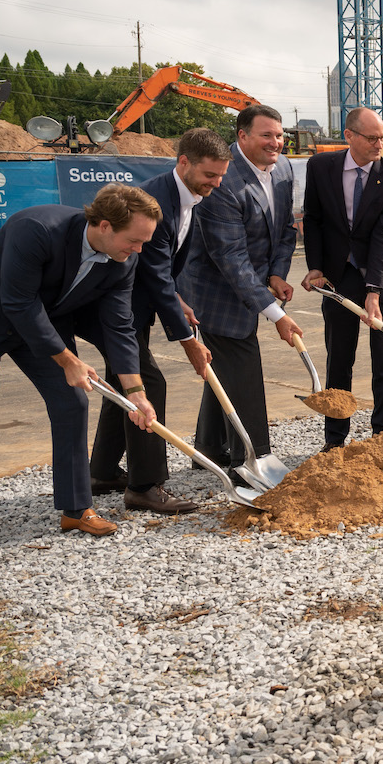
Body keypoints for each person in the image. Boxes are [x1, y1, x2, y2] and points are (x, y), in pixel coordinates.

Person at [0, 186, 160, 548]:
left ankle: (76, 509)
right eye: (134, 240)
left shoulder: (123, 259)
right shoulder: (37, 228)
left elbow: (119, 326)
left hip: (39, 328)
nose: (139, 250)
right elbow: (18, 302)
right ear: (104, 226)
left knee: (72, 402)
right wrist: (68, 360)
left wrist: (137, 394)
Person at [88, 129, 226, 514]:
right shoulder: (154, 203)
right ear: (184, 162)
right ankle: (145, 486)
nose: (215, 184)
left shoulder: (189, 199)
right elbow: (154, 275)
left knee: (123, 380)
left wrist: (178, 300)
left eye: (220, 176)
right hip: (114, 308)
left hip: (136, 305)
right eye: (209, 175)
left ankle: (100, 472)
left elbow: (163, 272)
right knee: (147, 383)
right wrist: (188, 341)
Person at [181, 104, 302, 477]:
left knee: (226, 367)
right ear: (243, 137)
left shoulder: (282, 169)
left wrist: (277, 275)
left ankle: (207, 447)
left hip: (252, 284)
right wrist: (277, 315)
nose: (276, 143)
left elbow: (285, 230)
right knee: (244, 368)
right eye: (267, 135)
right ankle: (251, 460)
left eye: (280, 135)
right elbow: (231, 258)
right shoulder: (224, 181)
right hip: (213, 291)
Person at [302, 107, 383, 451]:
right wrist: (316, 267)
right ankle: (335, 439)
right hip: (338, 277)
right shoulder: (321, 167)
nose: (380, 144)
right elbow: (314, 219)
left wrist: (374, 292)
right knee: (339, 358)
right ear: (349, 136)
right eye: (372, 138)